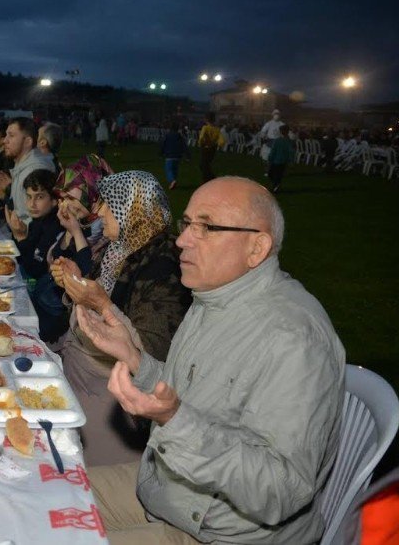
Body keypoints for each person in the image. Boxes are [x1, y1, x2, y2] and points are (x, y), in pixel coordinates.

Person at [80, 176, 345, 543]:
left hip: (224, 532)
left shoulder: (294, 340)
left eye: (206, 227)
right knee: (41, 494)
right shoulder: (213, 296)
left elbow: (281, 489)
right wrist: (135, 359)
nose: (182, 240)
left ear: (256, 248)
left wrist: (174, 421)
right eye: (187, 224)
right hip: (170, 490)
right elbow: (189, 396)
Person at [50, 170, 190, 465]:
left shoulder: (163, 267)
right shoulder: (119, 249)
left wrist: (100, 305)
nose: (99, 211)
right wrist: (76, 282)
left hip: (113, 395)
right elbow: (90, 310)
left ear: (133, 210)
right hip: (82, 370)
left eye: (109, 205)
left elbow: (149, 353)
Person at [7, 169, 67, 343]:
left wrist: (20, 237)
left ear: (55, 200)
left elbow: (34, 268)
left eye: (39, 197)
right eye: (29, 196)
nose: (32, 203)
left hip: (48, 306)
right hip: (37, 293)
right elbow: (23, 258)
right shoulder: (38, 221)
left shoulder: (54, 227)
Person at [0, 117, 55, 225]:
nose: (5, 140)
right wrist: (7, 195)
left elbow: (33, 223)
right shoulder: (22, 165)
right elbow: (20, 209)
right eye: (6, 135)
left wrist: (8, 189)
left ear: (27, 142)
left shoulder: (35, 169)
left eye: (11, 135)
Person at [197, 112, 224, 183]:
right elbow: (221, 140)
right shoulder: (217, 129)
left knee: (203, 164)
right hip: (213, 148)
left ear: (206, 119)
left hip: (205, 148)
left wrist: (200, 143)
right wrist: (219, 144)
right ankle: (209, 178)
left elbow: (202, 137)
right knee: (206, 164)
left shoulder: (205, 128)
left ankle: (209, 178)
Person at [267, 124, 295, 193]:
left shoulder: (278, 140)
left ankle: (275, 187)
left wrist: (270, 158)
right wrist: (291, 160)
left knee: (273, 174)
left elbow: (273, 150)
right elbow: (291, 152)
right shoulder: (289, 141)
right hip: (283, 161)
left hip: (277, 161)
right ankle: (276, 186)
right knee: (278, 175)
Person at [160, 122, 188, 190]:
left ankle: (172, 180)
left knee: (169, 170)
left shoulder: (167, 136)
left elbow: (163, 144)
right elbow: (184, 146)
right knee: (175, 169)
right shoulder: (180, 136)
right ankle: (174, 181)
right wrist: (187, 155)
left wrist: (161, 152)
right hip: (178, 156)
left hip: (169, 155)